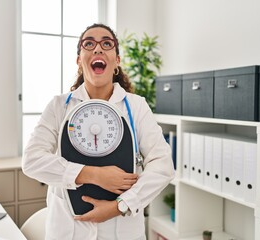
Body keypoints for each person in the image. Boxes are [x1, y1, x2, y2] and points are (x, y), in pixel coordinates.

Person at [22, 23, 175, 240]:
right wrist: (94, 175)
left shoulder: (136, 106)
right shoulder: (59, 106)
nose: (98, 48)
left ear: (117, 61)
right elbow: (31, 160)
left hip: (122, 231)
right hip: (68, 231)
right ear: (79, 60)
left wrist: (120, 206)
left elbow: (163, 165)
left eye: (106, 43)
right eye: (89, 43)